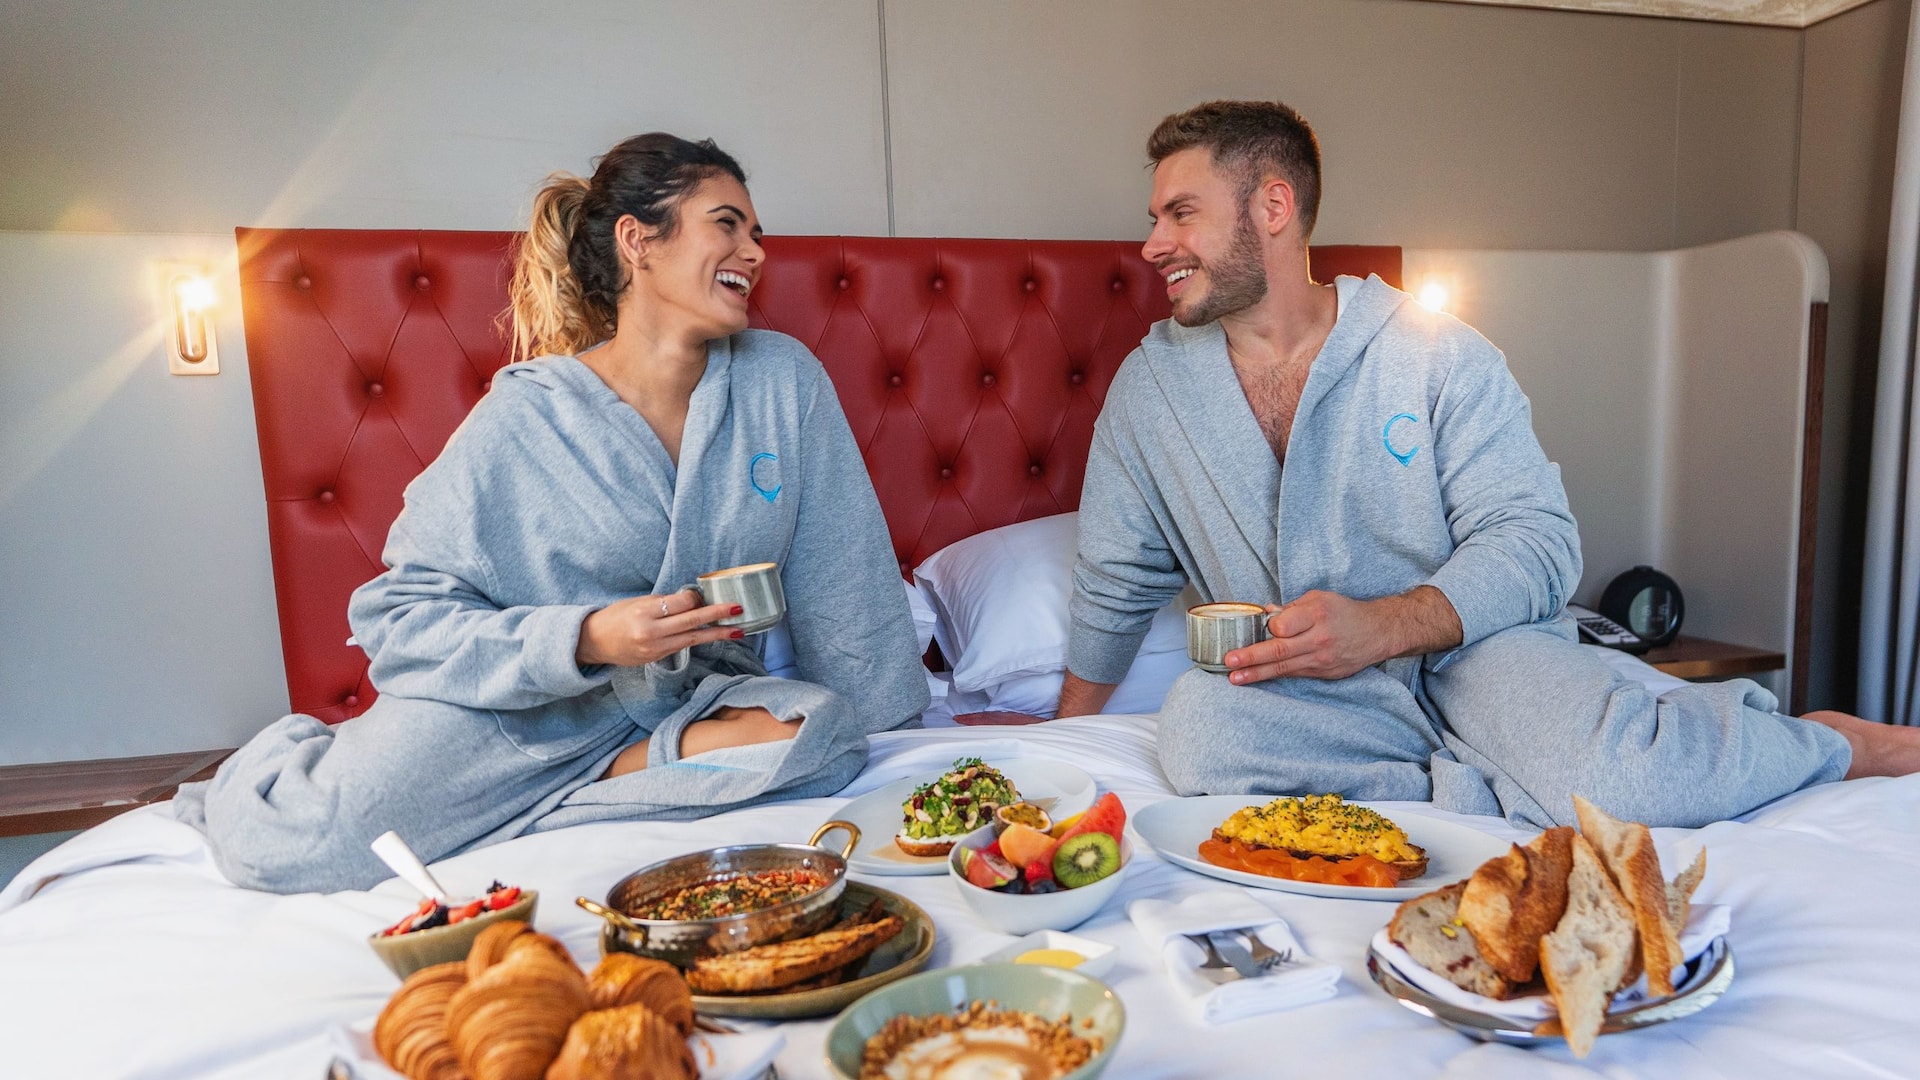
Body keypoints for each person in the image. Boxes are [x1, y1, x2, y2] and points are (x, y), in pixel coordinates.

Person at [1058, 100, 1920, 828]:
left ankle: (1840, 741)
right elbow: (1117, 575)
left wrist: (1386, 625)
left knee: (1633, 783)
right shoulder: (1152, 390)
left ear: (1272, 207)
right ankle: (1495, 785)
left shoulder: (1433, 352)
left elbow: (1538, 541)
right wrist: (1059, 738)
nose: (1152, 245)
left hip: (1483, 655)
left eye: (1181, 213)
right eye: (1154, 218)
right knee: (1200, 729)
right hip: (1314, 696)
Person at [176, 134, 929, 892]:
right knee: (298, 849)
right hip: (518, 711)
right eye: (727, 224)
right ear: (639, 241)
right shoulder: (527, 418)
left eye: (758, 233)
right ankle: (362, 767)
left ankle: (554, 800)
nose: (756, 251)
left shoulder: (782, 382)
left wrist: (902, 754)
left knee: (826, 741)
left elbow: (846, 574)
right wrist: (590, 638)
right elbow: (396, 620)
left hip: (684, 706)